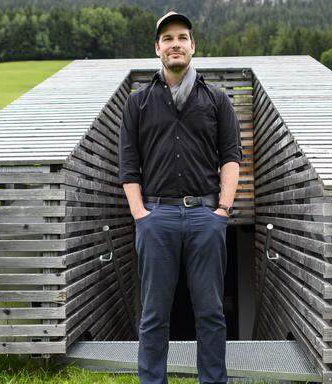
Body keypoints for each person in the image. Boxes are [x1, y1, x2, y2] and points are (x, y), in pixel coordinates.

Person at [117, 10, 243, 384]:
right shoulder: (137, 103)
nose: (175, 44)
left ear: (193, 46)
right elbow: (128, 165)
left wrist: (223, 209)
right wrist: (140, 214)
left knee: (210, 312)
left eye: (182, 37)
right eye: (168, 38)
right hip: (156, 217)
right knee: (154, 313)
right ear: (157, 48)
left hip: (206, 217)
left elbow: (231, 157)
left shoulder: (217, 100)